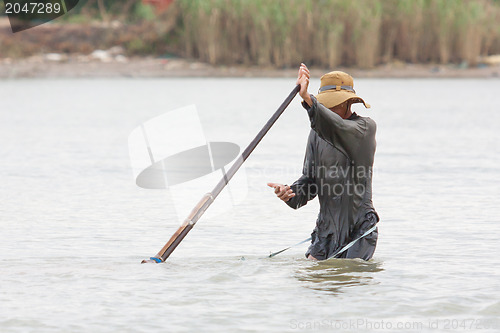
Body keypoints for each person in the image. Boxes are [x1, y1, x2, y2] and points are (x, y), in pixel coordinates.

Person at [268, 63, 379, 261]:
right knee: (311, 278)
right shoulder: (316, 134)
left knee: (349, 279)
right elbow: (310, 183)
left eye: (333, 103)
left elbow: (338, 127)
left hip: (358, 229)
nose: (327, 107)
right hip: (325, 232)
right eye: (324, 103)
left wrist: (308, 100)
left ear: (348, 103)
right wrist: (290, 193)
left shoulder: (364, 129)